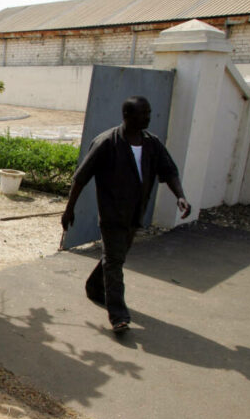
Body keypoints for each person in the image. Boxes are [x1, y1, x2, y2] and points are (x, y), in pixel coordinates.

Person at [61, 96, 191, 333]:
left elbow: (169, 171)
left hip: (134, 214)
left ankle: (93, 286)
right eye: (144, 113)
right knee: (114, 261)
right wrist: (69, 209)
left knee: (115, 257)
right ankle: (118, 316)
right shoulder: (107, 143)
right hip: (112, 214)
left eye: (149, 112)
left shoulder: (152, 144)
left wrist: (180, 196)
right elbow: (81, 177)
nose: (149, 117)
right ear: (129, 116)